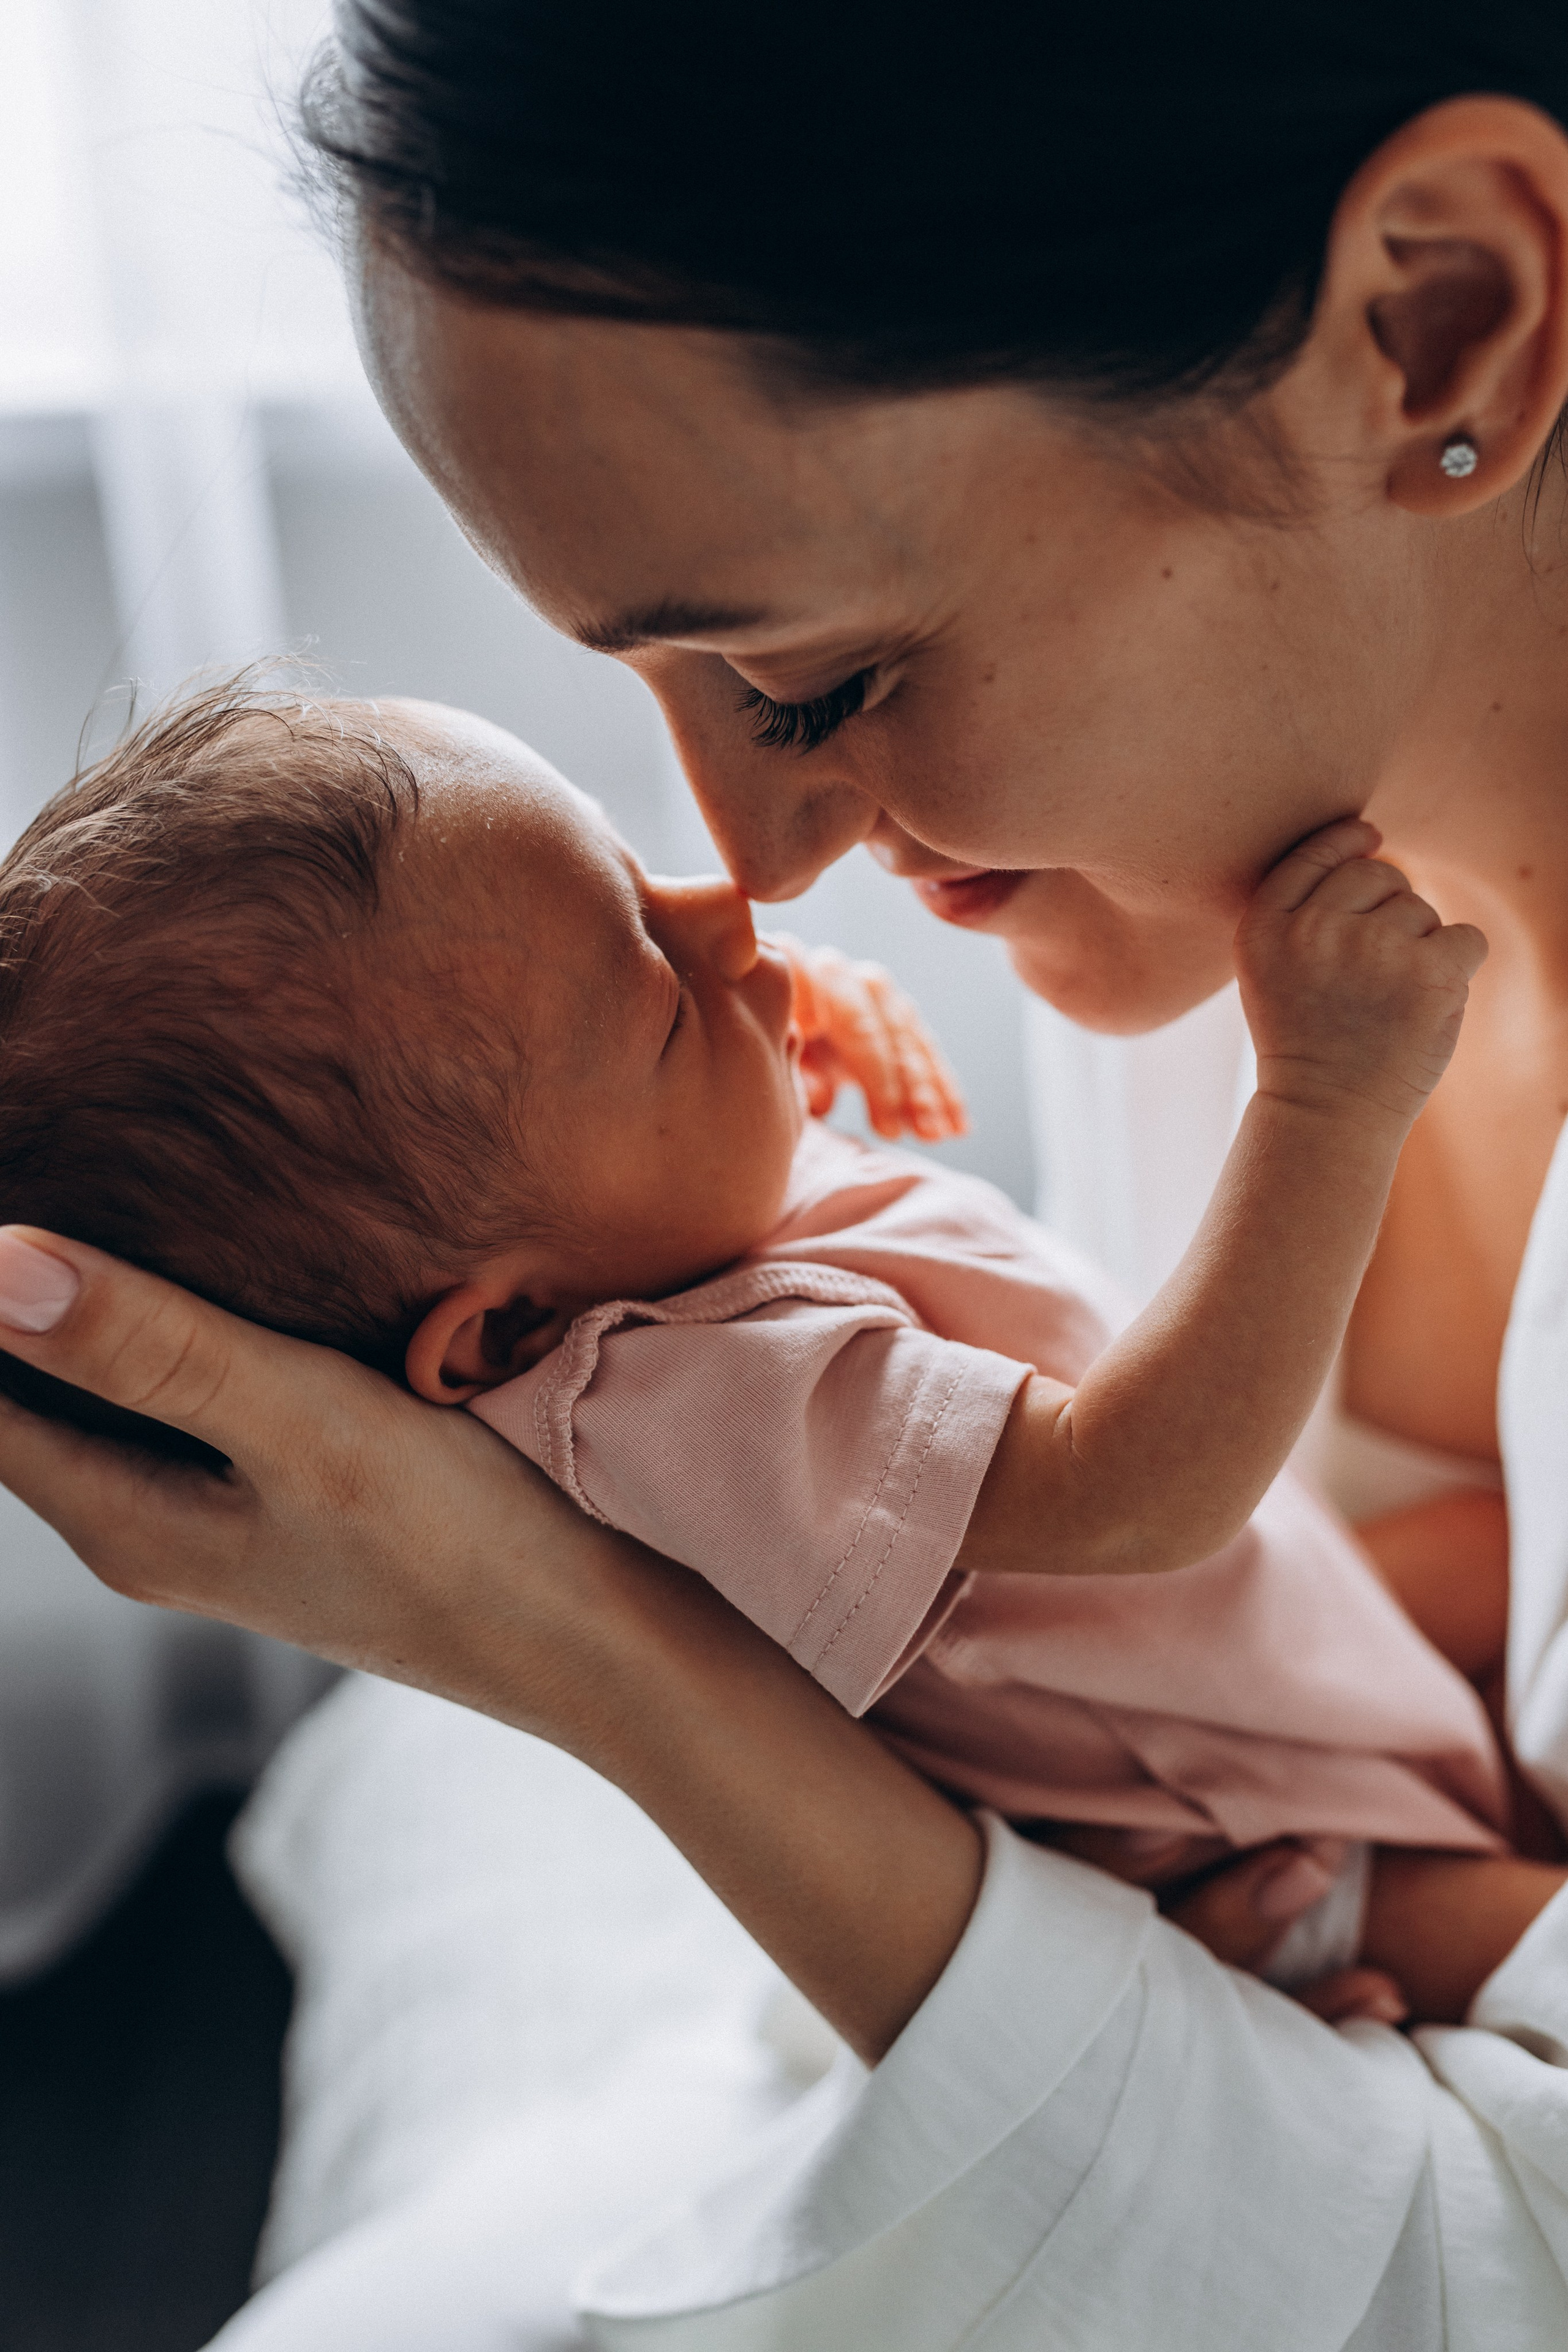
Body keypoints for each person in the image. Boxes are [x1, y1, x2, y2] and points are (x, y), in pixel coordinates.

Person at [4, 2, 1568, 2341]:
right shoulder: (1235, 894)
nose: (759, 868)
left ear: (1434, 317)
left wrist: (540, 1632)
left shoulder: (1251, 945)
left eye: (821, 681)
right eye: (659, 693)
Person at [0, 679, 1518, 1959]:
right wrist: (1321, 1104)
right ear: (505, 1341)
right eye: (655, 989)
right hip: (1246, 1831)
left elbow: (668, 1154)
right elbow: (1143, 1491)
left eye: (630, 876)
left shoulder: (626, 1238)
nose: (726, 908)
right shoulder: (695, 1401)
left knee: (1503, 1553)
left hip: (1252, 1649)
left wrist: (747, 1033)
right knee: (1525, 1925)